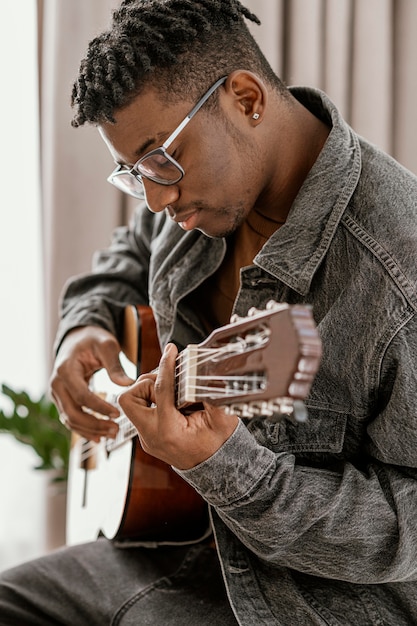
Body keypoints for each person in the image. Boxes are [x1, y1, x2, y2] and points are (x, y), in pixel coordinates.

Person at [1, 0, 417, 623]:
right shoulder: (203, 198)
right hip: (177, 539)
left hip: (310, 603)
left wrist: (228, 469)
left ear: (246, 99)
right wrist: (83, 323)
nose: (156, 198)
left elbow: (407, 532)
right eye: (133, 173)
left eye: (161, 161)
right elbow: (129, 252)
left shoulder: (397, 276)